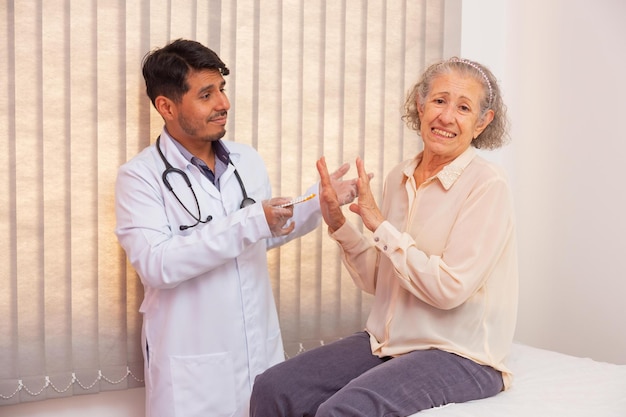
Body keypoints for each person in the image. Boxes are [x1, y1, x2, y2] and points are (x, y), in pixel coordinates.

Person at [249, 57, 518, 416]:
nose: (447, 116)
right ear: (420, 105)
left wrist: (380, 226)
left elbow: (449, 290)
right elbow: (381, 279)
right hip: (389, 342)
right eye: (439, 101)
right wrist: (338, 225)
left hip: (460, 353)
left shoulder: (487, 185)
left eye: (464, 107)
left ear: (482, 122)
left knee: (342, 411)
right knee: (274, 387)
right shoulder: (400, 177)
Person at [114, 39, 360, 417]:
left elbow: (262, 234)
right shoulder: (140, 177)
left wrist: (317, 204)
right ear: (166, 106)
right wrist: (253, 220)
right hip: (194, 369)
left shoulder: (246, 159)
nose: (223, 104)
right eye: (206, 94)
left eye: (222, 90)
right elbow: (158, 265)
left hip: (260, 353)